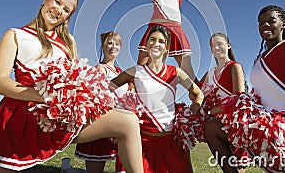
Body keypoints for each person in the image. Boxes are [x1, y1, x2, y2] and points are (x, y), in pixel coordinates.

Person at [0, 0, 143, 173]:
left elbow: (74, 78)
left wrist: (83, 96)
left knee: (128, 121)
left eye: (66, 10)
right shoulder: (15, 35)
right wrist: (47, 97)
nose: (59, 10)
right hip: (21, 115)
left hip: (59, 117)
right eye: (57, 2)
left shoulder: (68, 42)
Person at [205, 5, 285, 173]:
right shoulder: (258, 59)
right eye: (261, 22)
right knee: (212, 128)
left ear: (283, 24)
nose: (265, 25)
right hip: (266, 126)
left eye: (271, 21)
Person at [112, 25, 204, 173]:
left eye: (161, 41)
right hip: (140, 142)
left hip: (170, 142)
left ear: (166, 48)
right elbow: (107, 89)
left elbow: (199, 94)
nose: (156, 44)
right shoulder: (134, 71)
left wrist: (192, 111)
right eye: (152, 40)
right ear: (146, 44)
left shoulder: (176, 73)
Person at [125, 0, 208, 83]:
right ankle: (135, 95)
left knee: (187, 69)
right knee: (141, 66)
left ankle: (200, 98)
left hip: (175, 28)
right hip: (155, 27)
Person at [73, 31, 127, 173]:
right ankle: (67, 169)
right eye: (109, 43)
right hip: (104, 120)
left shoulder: (121, 72)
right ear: (102, 46)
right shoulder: (100, 69)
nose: (113, 46)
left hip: (119, 122)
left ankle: (67, 168)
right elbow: (98, 96)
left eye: (116, 43)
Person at [200, 33, 249, 173]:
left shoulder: (235, 67)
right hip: (215, 126)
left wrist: (211, 111)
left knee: (237, 168)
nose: (216, 47)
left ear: (228, 46)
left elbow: (238, 100)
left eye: (220, 43)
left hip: (233, 125)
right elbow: (196, 91)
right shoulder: (210, 73)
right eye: (213, 45)